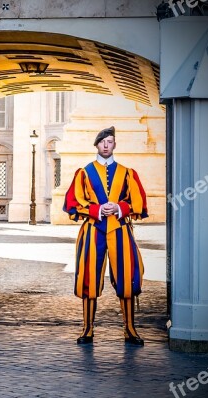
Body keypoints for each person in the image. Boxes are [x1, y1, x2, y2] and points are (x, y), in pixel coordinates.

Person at [62, 126, 148, 346]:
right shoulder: (84, 172)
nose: (107, 145)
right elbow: (73, 201)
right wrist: (98, 210)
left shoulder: (127, 172)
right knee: (89, 278)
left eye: (110, 141)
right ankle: (87, 329)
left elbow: (137, 201)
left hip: (120, 229)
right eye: (103, 142)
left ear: (115, 144)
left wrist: (119, 208)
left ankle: (130, 329)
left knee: (127, 278)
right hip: (93, 229)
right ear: (97, 145)